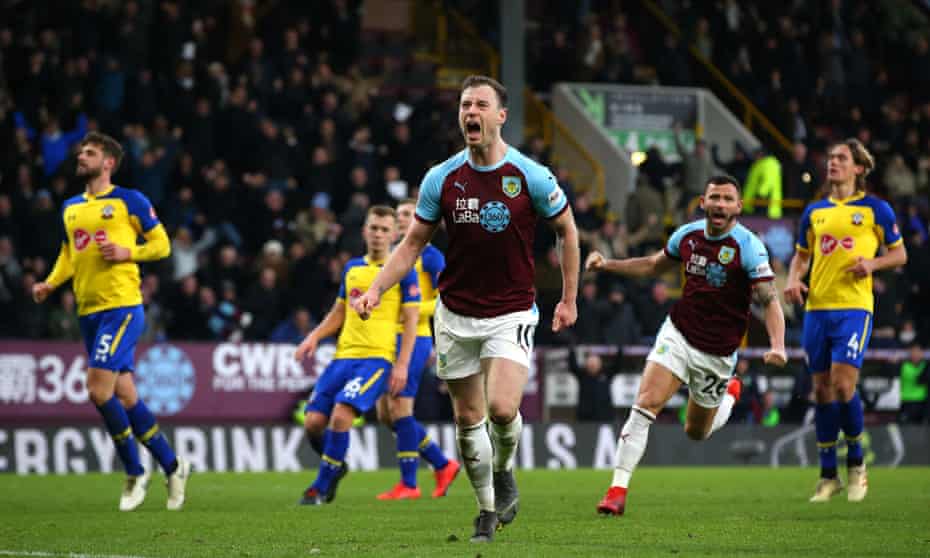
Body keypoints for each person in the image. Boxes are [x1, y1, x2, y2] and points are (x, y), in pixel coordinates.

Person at [352, 75, 579, 542]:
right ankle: (486, 511)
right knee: (466, 418)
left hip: (511, 311)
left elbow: (567, 230)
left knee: (502, 409)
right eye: (464, 105)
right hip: (455, 314)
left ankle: (505, 468)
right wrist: (376, 289)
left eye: (480, 105)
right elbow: (411, 244)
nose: (470, 113)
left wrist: (569, 297)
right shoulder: (442, 178)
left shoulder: (530, 175)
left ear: (501, 116)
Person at [585, 174, 787, 516]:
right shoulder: (688, 236)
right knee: (645, 404)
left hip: (717, 354)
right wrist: (607, 264)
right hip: (678, 334)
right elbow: (653, 265)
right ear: (703, 202)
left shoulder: (749, 247)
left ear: (738, 207)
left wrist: (778, 344)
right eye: (714, 197)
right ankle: (616, 491)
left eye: (727, 199)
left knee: (696, 431)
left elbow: (769, 299)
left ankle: (730, 394)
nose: (720, 204)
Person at [31, 132, 191, 511]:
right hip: (88, 312)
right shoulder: (71, 207)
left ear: (108, 163)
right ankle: (173, 465)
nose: (80, 156)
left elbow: (162, 245)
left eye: (89, 153)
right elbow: (69, 253)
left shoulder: (129, 200)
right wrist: (51, 283)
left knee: (98, 391)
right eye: (81, 151)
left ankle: (135, 471)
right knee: (126, 396)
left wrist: (126, 252)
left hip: (121, 307)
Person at [785, 138, 907, 503]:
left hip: (854, 308)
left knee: (842, 385)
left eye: (841, 158)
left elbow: (900, 254)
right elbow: (801, 256)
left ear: (859, 168)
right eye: (831, 158)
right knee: (821, 390)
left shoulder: (875, 209)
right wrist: (792, 280)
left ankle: (856, 463)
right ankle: (828, 476)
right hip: (816, 310)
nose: (833, 163)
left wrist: (872, 263)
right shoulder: (815, 211)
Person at [293, 205, 420, 505]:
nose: (378, 234)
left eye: (384, 230)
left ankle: (320, 488)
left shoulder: (403, 271)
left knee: (341, 416)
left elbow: (411, 320)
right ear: (364, 231)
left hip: (377, 359)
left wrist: (402, 364)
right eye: (373, 228)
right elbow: (339, 312)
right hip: (343, 357)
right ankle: (335, 466)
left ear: (394, 235)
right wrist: (314, 336)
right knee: (313, 423)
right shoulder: (352, 268)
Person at [373, 198, 461, 500]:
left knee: (400, 409)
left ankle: (409, 484)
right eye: (398, 214)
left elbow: (445, 300)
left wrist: (411, 309)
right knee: (386, 413)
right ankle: (442, 463)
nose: (401, 218)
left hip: (415, 337)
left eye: (408, 214)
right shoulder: (394, 255)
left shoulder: (431, 257)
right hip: (386, 338)